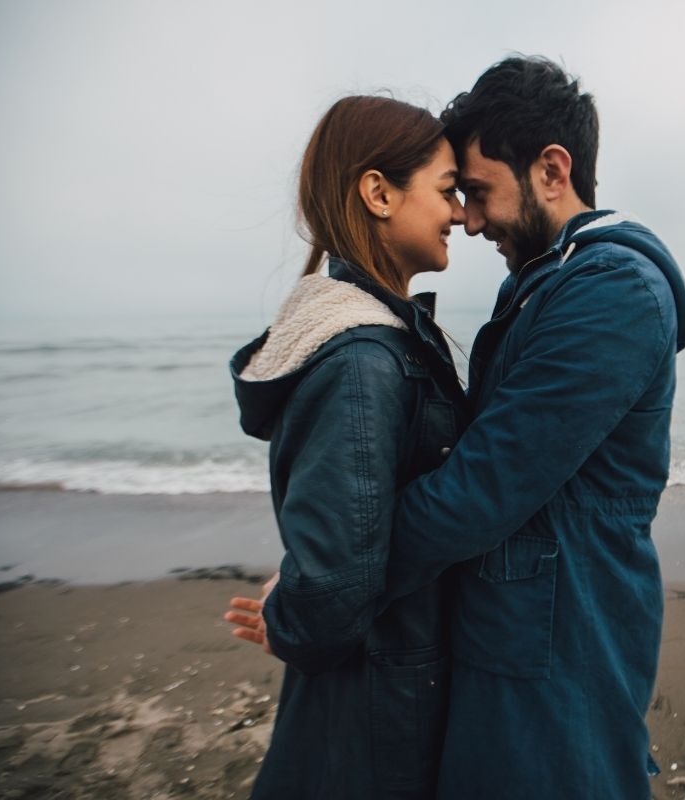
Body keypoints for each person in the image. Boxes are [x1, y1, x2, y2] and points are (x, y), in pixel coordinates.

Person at [378, 57, 685, 799]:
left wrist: (333, 581)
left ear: (553, 170)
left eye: (480, 193)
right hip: (523, 632)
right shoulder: (548, 280)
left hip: (563, 642)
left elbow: (482, 486)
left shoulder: (612, 291)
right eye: (460, 197)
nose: (469, 218)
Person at [223, 95, 467, 799]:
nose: (459, 214)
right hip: (381, 708)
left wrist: (297, 601)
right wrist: (294, 617)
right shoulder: (363, 364)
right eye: (447, 191)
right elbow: (332, 590)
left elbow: (341, 536)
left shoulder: (373, 347)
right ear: (378, 193)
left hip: (380, 687)